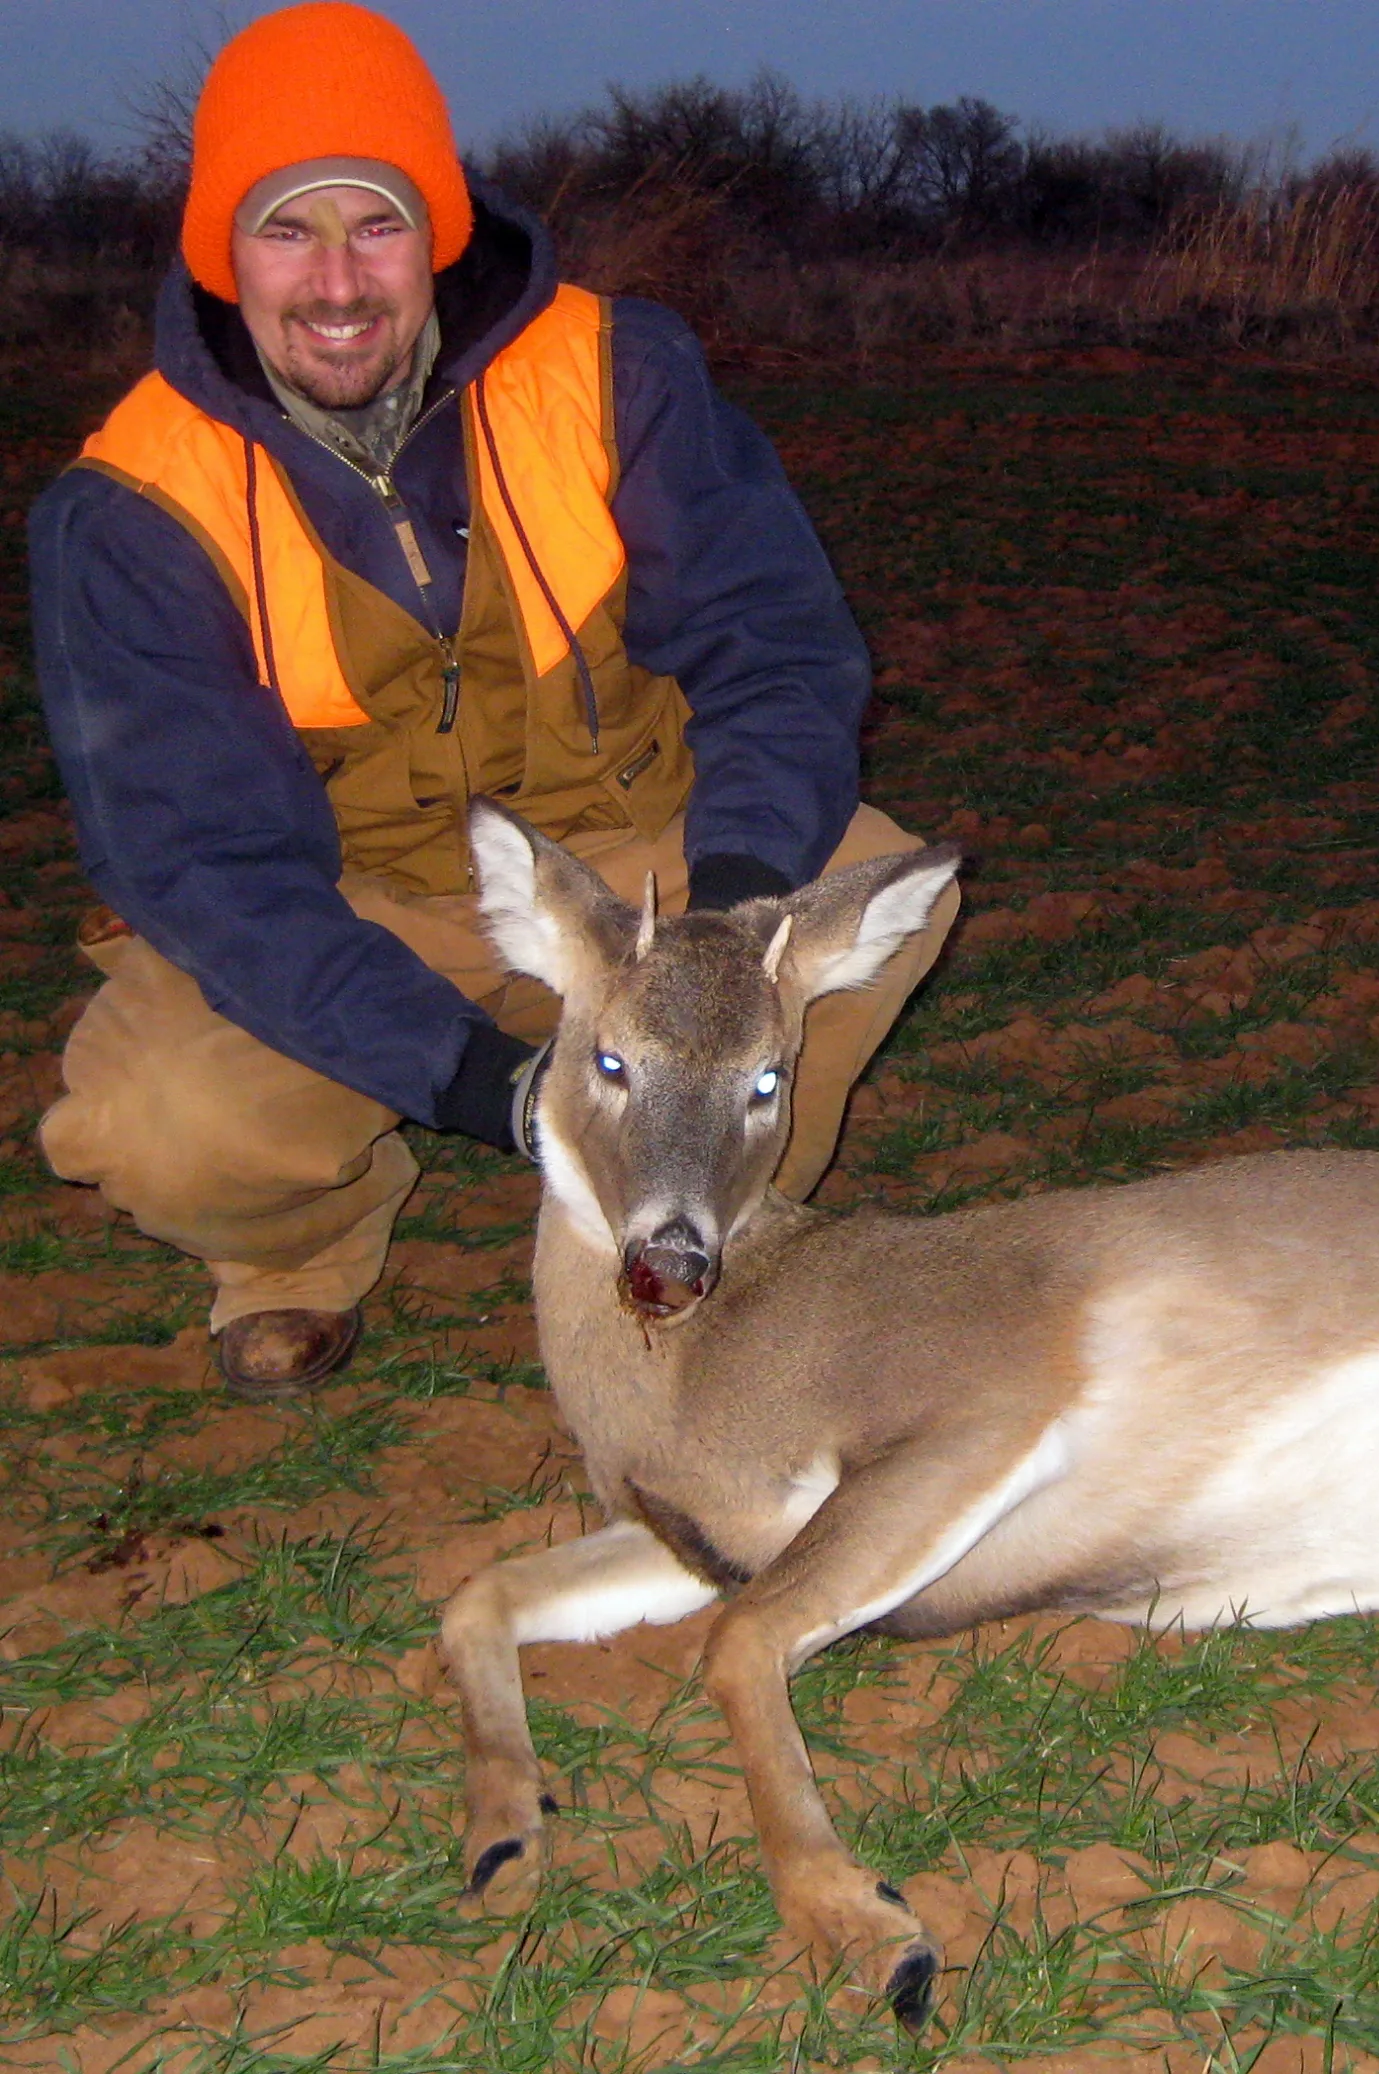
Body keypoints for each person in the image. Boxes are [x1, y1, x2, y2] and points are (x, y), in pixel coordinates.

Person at [29, 3, 956, 1399]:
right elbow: (205, 867)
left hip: (645, 883)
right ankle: (303, 1253)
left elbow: (775, 647)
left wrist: (726, 922)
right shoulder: (135, 505)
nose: (339, 282)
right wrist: (487, 1085)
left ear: (439, 233)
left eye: (378, 225)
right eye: (289, 230)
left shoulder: (609, 371)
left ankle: (713, 1222)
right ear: (225, 250)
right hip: (360, 906)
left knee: (884, 887)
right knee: (155, 1119)